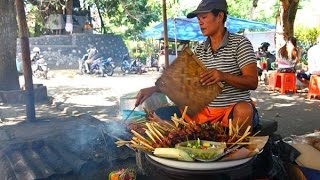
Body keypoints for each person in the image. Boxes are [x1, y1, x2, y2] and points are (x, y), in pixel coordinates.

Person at [135, 0, 259, 134]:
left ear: (220, 16)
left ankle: (232, 151)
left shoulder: (240, 43)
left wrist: (223, 76)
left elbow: (252, 82)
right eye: (199, 19)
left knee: (244, 109)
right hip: (205, 113)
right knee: (159, 114)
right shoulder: (199, 49)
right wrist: (153, 89)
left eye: (204, 17)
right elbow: (181, 83)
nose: (200, 22)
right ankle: (193, 137)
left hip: (230, 112)